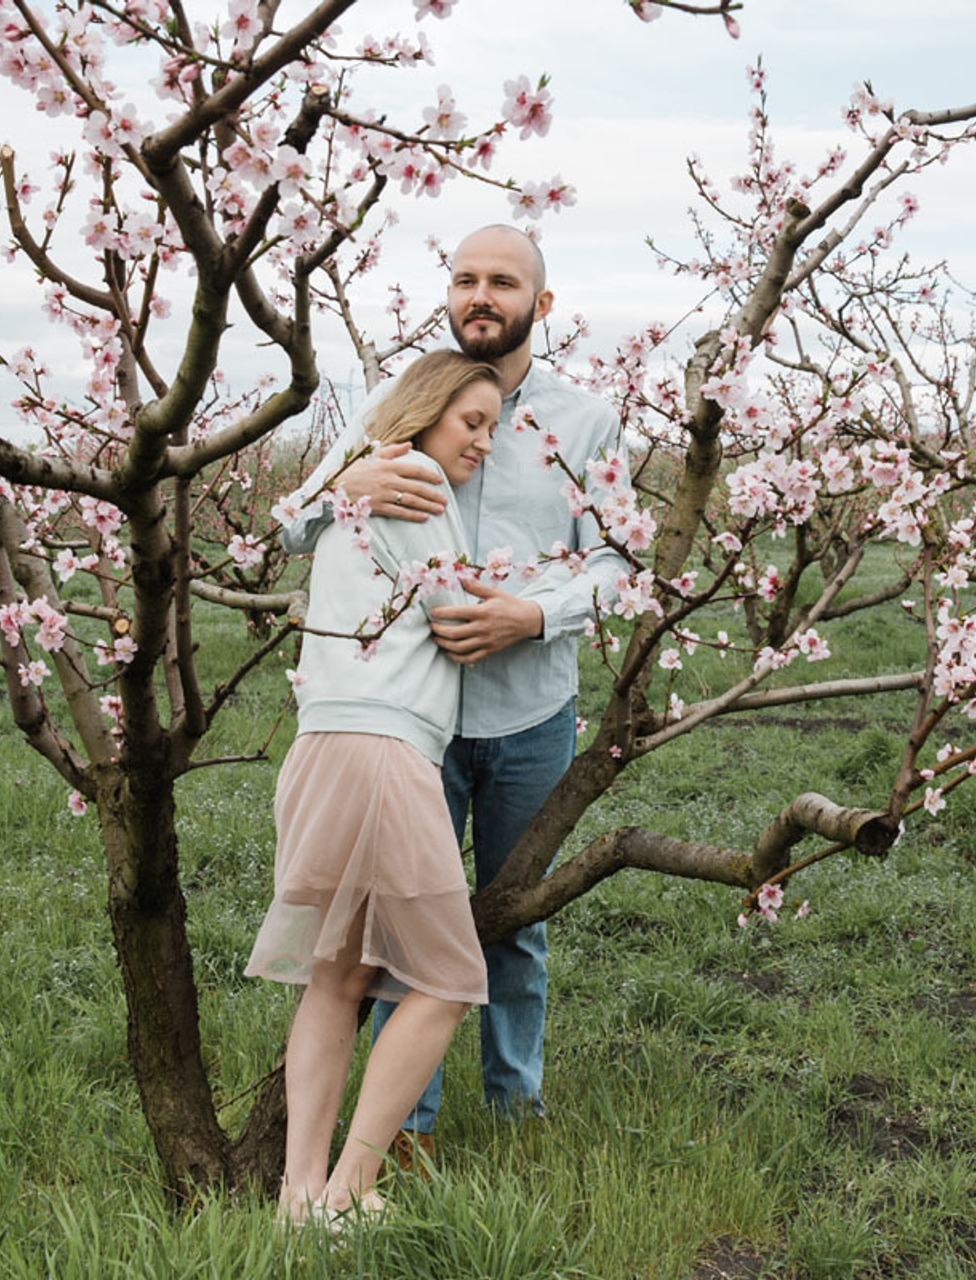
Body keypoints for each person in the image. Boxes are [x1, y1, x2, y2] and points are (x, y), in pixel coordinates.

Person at [282, 225, 629, 1159]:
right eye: (466, 278)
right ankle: (410, 1133)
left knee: (515, 922)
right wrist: (344, 483)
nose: (483, 294)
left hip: (528, 713)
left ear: (539, 305)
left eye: (504, 282)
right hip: (410, 729)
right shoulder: (399, 406)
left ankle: (516, 1110)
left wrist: (532, 615)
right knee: (403, 932)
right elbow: (294, 530)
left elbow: (618, 566)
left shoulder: (587, 423)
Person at [246, 351, 506, 1225]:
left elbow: (282, 524)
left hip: (320, 744)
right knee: (447, 978)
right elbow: (455, 618)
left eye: (493, 429)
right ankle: (351, 1192)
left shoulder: (358, 478)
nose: (481, 442)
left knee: (338, 977)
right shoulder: (420, 479)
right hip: (385, 746)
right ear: (427, 411)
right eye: (472, 421)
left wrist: (338, 486)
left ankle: (297, 1196)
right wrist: (531, 601)